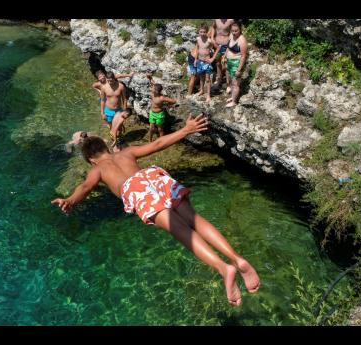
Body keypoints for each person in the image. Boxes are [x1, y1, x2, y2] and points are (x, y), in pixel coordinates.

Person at [51, 114, 260, 306]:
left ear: (90, 160)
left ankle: (224, 269)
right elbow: (158, 143)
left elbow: (86, 187)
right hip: (154, 177)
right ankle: (236, 258)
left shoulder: (97, 169)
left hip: (137, 191)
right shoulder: (127, 152)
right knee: (194, 219)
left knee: (182, 231)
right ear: (106, 147)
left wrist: (70, 200)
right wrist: (186, 130)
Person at [146, 74, 177, 142]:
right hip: (152, 113)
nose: (151, 89)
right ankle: (150, 140)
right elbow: (153, 84)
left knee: (160, 129)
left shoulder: (161, 98)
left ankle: (161, 141)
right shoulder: (152, 93)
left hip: (159, 114)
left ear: (156, 91)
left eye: (153, 89)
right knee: (151, 128)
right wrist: (150, 78)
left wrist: (168, 105)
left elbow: (173, 101)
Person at [224, 21, 248, 108]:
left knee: (235, 84)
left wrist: (239, 69)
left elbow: (243, 56)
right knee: (230, 80)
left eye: (236, 31)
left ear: (240, 30)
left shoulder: (242, 40)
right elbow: (228, 48)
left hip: (236, 63)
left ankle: (234, 101)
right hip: (229, 61)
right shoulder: (231, 36)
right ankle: (232, 97)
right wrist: (224, 57)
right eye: (232, 31)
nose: (234, 33)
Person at [194, 25, 219, 103]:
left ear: (206, 32)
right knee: (201, 77)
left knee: (208, 79)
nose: (202, 33)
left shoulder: (209, 41)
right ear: (199, 32)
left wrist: (212, 58)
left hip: (207, 62)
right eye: (201, 32)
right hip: (200, 61)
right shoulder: (198, 39)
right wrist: (195, 59)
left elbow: (218, 48)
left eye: (204, 32)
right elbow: (197, 48)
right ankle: (201, 90)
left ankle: (208, 95)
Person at [210, 19, 234, 91]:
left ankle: (228, 84)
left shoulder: (230, 21)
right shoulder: (216, 20)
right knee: (218, 63)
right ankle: (219, 81)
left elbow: (232, 32)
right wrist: (212, 38)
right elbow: (213, 28)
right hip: (216, 44)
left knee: (226, 64)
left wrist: (230, 42)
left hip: (226, 45)